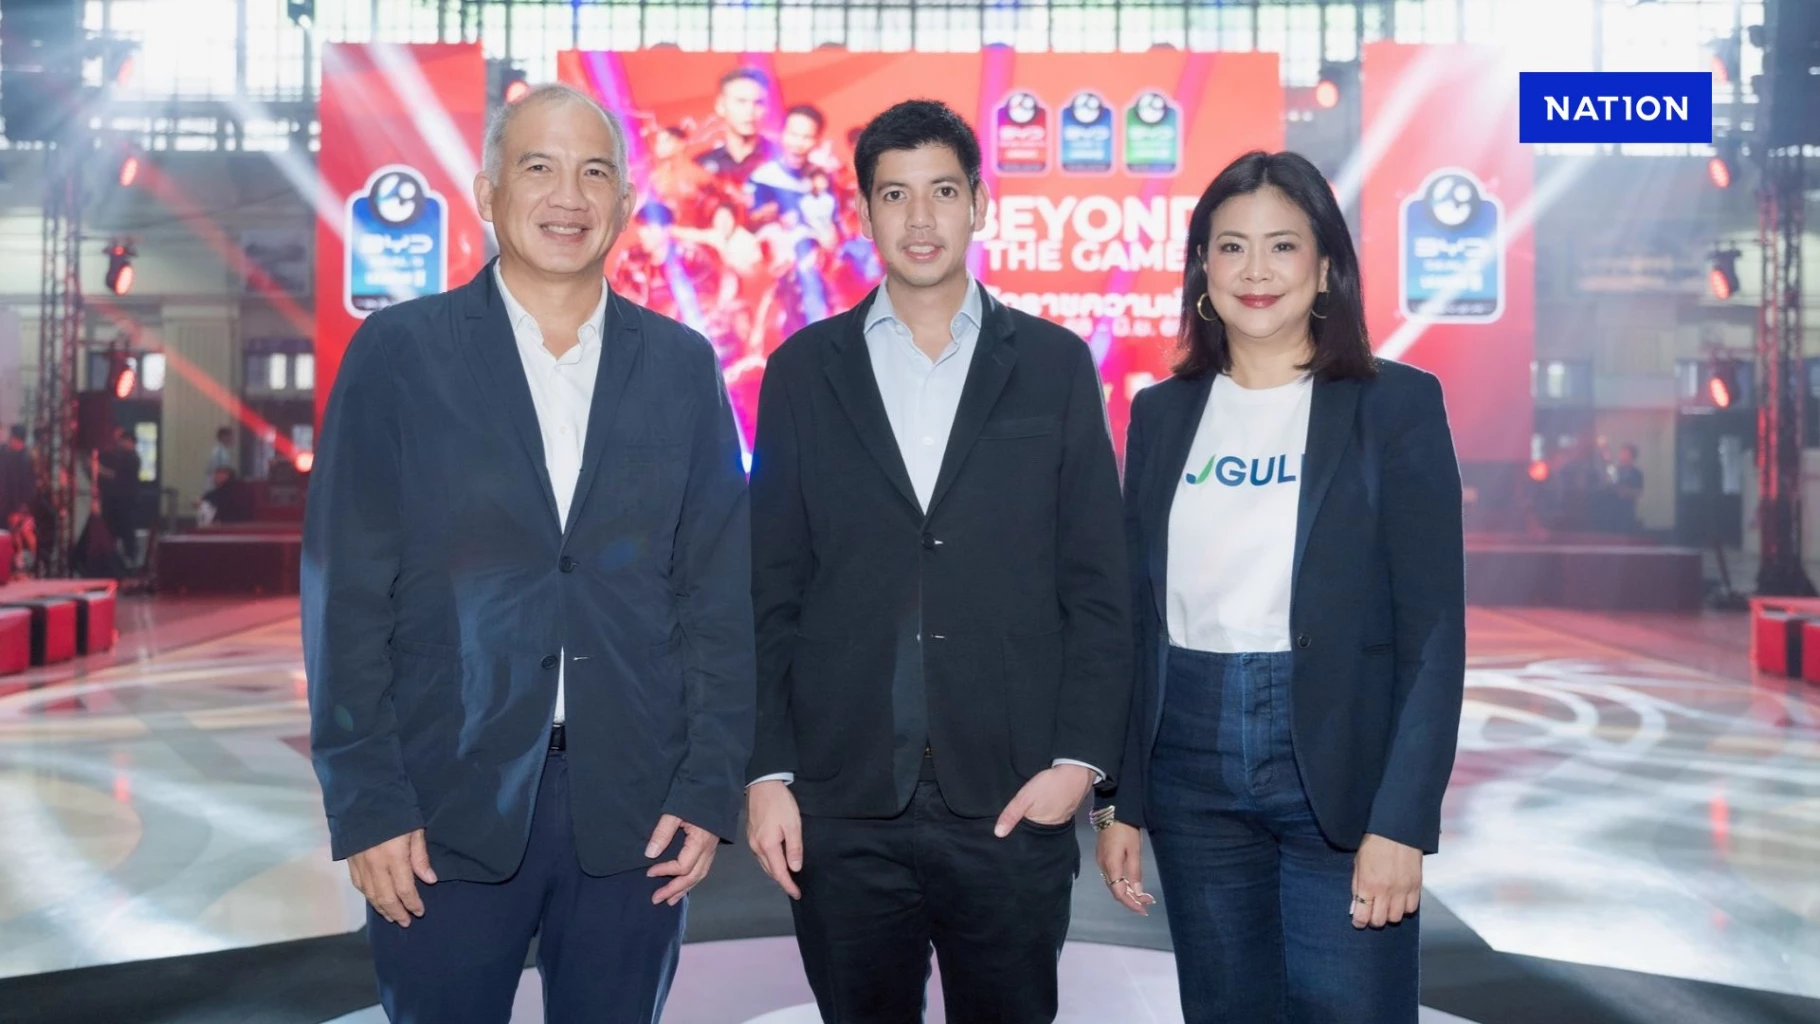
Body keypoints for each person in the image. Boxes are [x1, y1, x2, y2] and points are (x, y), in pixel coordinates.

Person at [302, 83, 755, 1024]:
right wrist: (368, 801)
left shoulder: (681, 366)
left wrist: (709, 786)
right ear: (488, 191)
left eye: (594, 173)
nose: (568, 197)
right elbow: (345, 596)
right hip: (441, 809)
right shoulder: (399, 354)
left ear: (624, 202)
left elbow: (716, 595)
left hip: (636, 815)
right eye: (539, 167)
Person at [745, 99, 1131, 1023]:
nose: (920, 218)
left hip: (1012, 795)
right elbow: (769, 589)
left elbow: (1098, 583)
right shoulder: (801, 370)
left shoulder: (1055, 365)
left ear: (979, 205)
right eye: (895, 195)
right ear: (864, 213)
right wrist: (765, 774)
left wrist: (1080, 766)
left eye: (943, 192)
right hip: (841, 803)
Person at [1093, 150, 1466, 1024]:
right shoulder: (1161, 414)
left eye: (1282, 246)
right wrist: (1121, 804)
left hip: (1339, 762)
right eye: (1231, 247)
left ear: (1326, 266)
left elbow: (1432, 632)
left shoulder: (1395, 405)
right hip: (1188, 758)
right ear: (1203, 268)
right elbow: (1138, 624)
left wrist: (1402, 821)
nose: (1255, 271)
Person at [695, 66, 776, 186]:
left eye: (758, 103)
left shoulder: (780, 158)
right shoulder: (701, 166)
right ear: (720, 106)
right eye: (741, 101)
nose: (750, 110)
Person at [748, 104, 827, 222]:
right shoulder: (762, 177)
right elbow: (750, 218)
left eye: (807, 137)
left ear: (817, 140)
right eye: (793, 135)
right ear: (781, 134)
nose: (798, 143)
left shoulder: (823, 177)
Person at [94, 428, 141, 565]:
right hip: (121, 500)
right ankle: (125, 556)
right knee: (120, 529)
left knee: (125, 529)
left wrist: (99, 469)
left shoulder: (131, 458)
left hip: (124, 501)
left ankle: (129, 556)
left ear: (130, 442)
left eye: (123, 440)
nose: (120, 443)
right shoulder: (128, 457)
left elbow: (115, 475)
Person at [205, 427, 234, 494]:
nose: (231, 439)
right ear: (223, 437)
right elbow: (221, 471)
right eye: (230, 436)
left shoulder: (222, 450)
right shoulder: (220, 452)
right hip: (216, 486)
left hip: (216, 485)